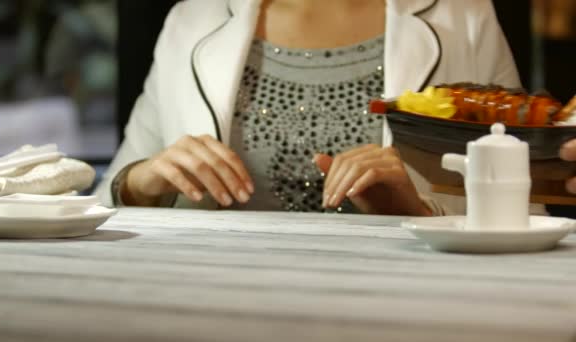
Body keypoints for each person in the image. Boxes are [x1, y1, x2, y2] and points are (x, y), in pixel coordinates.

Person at [96, 0, 520, 215]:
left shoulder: (464, 15)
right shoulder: (193, 19)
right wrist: (140, 182)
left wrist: (421, 214)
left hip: (409, 310)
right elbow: (105, 201)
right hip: (211, 306)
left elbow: (524, 212)